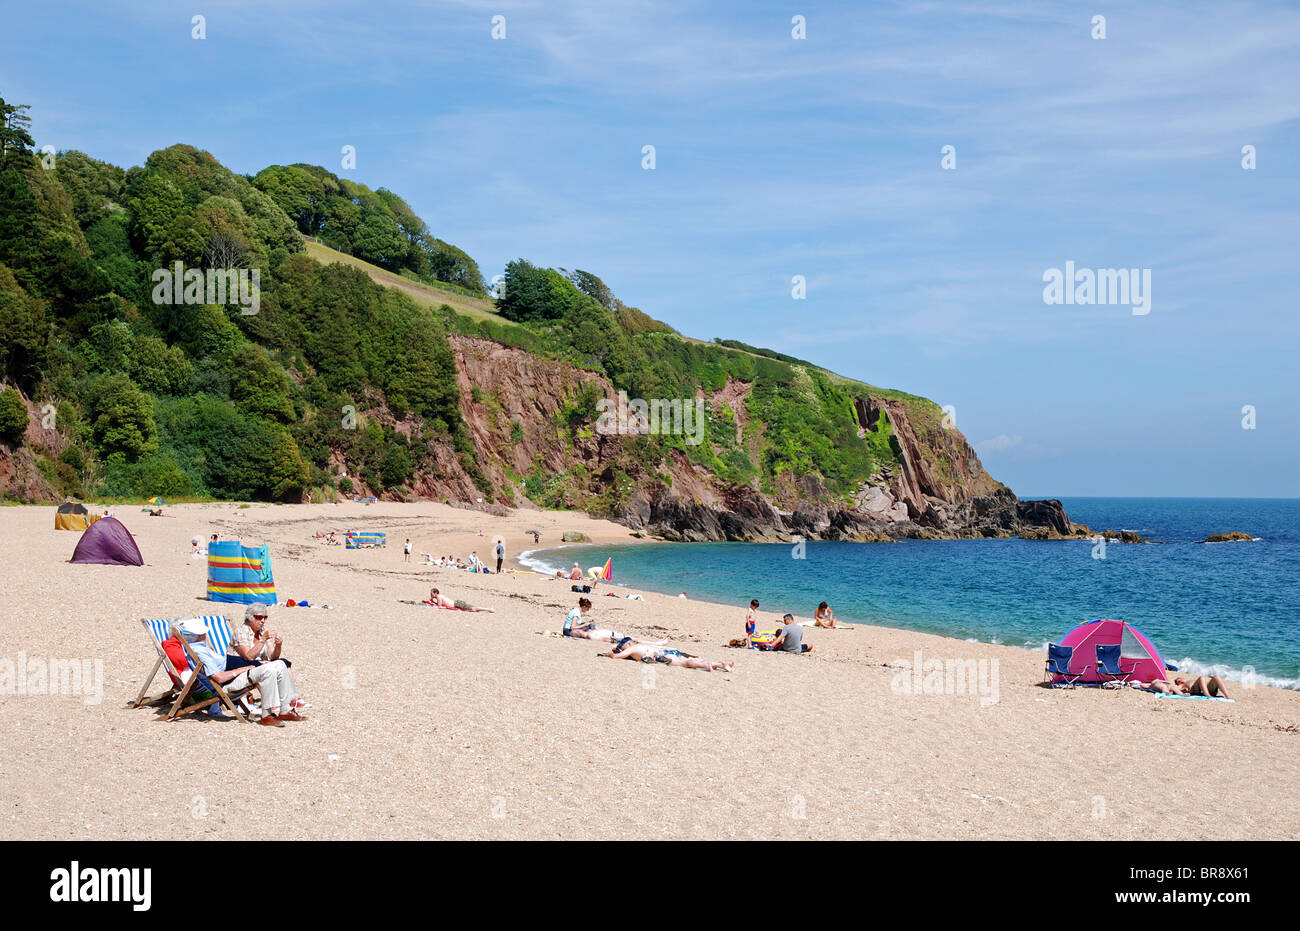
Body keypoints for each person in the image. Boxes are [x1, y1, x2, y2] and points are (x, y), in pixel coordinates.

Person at [177, 618, 303, 727]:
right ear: (198, 635)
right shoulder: (199, 652)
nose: (205, 634)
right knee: (268, 669)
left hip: (232, 679)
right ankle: (267, 715)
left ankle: (286, 710)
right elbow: (219, 678)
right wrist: (242, 669)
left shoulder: (198, 647)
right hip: (226, 686)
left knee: (280, 664)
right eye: (202, 633)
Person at [561, 598, 664, 644]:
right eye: (587, 609)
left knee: (591, 624)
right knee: (591, 625)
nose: (587, 610)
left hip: (571, 630)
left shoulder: (576, 611)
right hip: (568, 631)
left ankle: (596, 629)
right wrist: (586, 624)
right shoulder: (576, 613)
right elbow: (573, 627)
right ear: (584, 606)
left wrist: (585, 624)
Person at [605, 637, 733, 672]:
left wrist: (610, 653)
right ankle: (720, 664)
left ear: (627, 644)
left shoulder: (633, 648)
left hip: (662, 655)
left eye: (624, 647)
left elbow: (616, 657)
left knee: (686, 663)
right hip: (668, 651)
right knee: (686, 660)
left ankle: (713, 664)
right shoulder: (641, 645)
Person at [428, 587, 495, 612]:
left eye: (432, 594)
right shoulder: (440, 596)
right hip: (457, 603)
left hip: (457, 604)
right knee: (473, 608)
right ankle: (488, 609)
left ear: (436, 593)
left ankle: (489, 609)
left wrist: (432, 601)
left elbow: (439, 606)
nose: (431, 595)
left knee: (473, 608)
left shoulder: (439, 597)